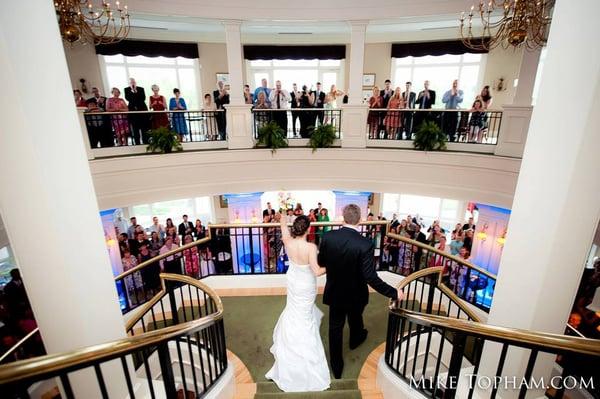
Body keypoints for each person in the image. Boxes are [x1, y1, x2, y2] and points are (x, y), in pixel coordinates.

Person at [318, 204, 404, 378]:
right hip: (356, 293)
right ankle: (356, 339)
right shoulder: (365, 244)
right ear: (360, 220)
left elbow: (322, 261)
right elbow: (370, 277)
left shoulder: (328, 237)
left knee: (335, 328)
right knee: (355, 317)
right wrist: (394, 293)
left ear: (343, 217)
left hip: (335, 292)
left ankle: (336, 367)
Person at [265, 214, 330, 392]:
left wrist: (285, 217)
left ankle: (289, 345)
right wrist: (332, 266)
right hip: (306, 284)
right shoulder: (310, 247)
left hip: (293, 281)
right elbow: (317, 272)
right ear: (308, 229)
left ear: (295, 228)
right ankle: (305, 354)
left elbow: (282, 224)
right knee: (305, 314)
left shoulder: (288, 241)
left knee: (294, 310)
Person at [124, 78, 150, 145]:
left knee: (144, 128)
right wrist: (132, 92)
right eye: (131, 82)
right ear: (129, 83)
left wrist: (136, 92)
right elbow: (128, 99)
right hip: (133, 113)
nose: (133, 83)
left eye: (134, 82)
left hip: (142, 111)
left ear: (135, 82)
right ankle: (137, 143)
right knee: (135, 129)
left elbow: (143, 98)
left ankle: (145, 142)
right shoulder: (126, 89)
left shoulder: (141, 89)